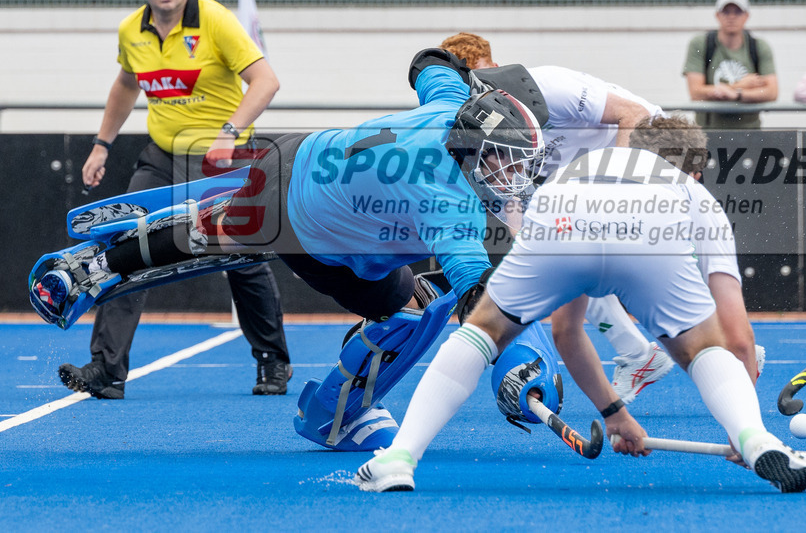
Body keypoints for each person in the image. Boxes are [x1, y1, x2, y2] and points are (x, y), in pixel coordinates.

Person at [35, 48, 548, 451]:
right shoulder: (450, 203)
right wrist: (518, 367)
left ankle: (103, 261)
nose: (514, 176)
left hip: (294, 155)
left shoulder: (447, 101)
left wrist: (467, 79)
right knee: (416, 307)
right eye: (505, 161)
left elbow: (428, 61)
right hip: (309, 235)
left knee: (211, 230)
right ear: (472, 147)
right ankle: (339, 418)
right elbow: (481, 304)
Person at [355, 115, 806, 494]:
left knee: (482, 332)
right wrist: (743, 428)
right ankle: (760, 441)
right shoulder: (694, 194)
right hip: (649, 235)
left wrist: (614, 415)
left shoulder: (579, 169)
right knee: (702, 349)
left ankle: (399, 459)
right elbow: (738, 338)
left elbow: (567, 334)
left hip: (562, 214)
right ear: (694, 170)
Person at [440, 32, 763, 390]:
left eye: (482, 78)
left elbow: (633, 114)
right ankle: (638, 354)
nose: (480, 92)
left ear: (496, 68)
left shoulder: (545, 85)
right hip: (589, 183)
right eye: (469, 87)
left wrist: (618, 192)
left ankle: (728, 342)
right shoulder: (480, 131)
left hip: (651, 148)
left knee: (673, 261)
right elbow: (515, 207)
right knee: (567, 258)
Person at [58, 0, 291, 400]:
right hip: (162, 159)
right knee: (123, 249)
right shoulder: (132, 31)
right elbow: (126, 84)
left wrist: (229, 134)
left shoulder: (215, 21)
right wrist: (102, 144)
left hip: (220, 162)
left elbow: (266, 81)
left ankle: (272, 361)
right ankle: (106, 369)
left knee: (241, 259)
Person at [683, 0, 778, 130]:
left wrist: (737, 94)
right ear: (717, 15)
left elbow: (771, 92)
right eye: (726, 12)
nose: (731, 17)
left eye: (737, 12)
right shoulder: (701, 44)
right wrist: (740, 86)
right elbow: (696, 92)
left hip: (748, 131)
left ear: (746, 16)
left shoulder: (758, 46)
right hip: (708, 131)